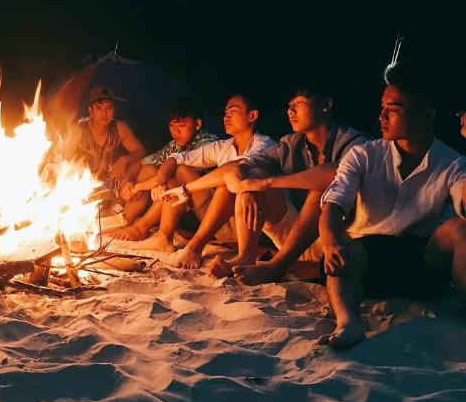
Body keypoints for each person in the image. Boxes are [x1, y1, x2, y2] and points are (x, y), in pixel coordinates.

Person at [319, 61, 466, 348]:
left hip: (421, 261)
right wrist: (330, 240)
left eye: (394, 110)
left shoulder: (451, 162)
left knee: (460, 229)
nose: (382, 116)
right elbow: (334, 204)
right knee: (343, 248)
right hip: (367, 256)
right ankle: (348, 322)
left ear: (426, 115)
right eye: (382, 106)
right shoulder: (363, 155)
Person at [220, 81, 370, 284]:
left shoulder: (355, 142)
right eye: (289, 105)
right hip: (295, 238)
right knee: (252, 175)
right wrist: (246, 188)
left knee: (320, 190)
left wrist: (266, 183)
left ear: (325, 105)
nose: (290, 110)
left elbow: (336, 173)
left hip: (336, 241)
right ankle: (246, 256)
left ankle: (276, 266)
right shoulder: (291, 144)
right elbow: (235, 168)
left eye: (298, 103)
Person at [117, 94, 276, 268]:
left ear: (252, 115)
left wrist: (186, 189)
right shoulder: (224, 146)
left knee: (227, 182)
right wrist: (161, 182)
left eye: (233, 111)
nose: (226, 116)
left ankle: (193, 246)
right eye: (225, 112)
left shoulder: (265, 145)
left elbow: (235, 169)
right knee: (179, 170)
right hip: (221, 222)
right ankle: (163, 237)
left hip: (252, 225)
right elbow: (177, 158)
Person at [117, 98, 218, 225]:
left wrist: (141, 186)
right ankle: (125, 220)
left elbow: (177, 173)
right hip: (181, 206)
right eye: (172, 126)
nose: (176, 132)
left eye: (182, 125)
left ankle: (142, 227)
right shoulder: (173, 146)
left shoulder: (207, 143)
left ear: (197, 124)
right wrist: (126, 183)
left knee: (172, 176)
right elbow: (139, 163)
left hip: (208, 209)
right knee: (149, 170)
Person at [63, 87, 146, 188]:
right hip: (81, 186)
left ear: (114, 110)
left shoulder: (119, 128)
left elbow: (141, 152)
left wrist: (124, 160)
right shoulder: (78, 130)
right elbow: (63, 162)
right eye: (98, 108)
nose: (104, 113)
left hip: (111, 184)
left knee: (141, 169)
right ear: (90, 110)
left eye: (109, 108)